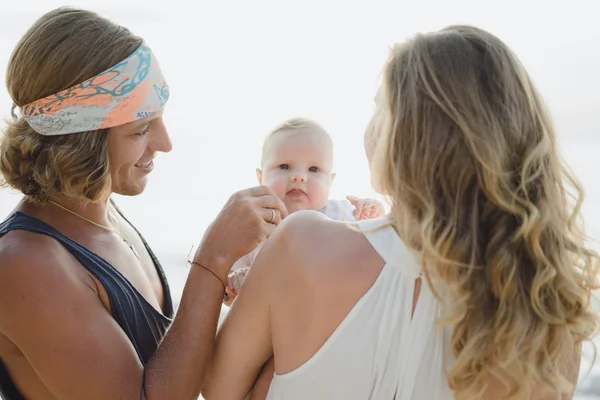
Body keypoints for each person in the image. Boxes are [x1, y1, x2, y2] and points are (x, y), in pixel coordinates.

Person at [203, 25, 600, 399]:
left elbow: (218, 389)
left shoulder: (304, 244)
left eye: (380, 108)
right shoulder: (549, 309)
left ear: (407, 134)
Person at [0, 7, 286, 400]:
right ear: (81, 139)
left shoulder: (103, 215)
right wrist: (212, 260)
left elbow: (174, 360)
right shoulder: (24, 263)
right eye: (141, 128)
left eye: (161, 119)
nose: (165, 143)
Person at [225, 117, 385, 303]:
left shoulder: (340, 215)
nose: (299, 176)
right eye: (284, 166)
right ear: (261, 177)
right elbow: (227, 291)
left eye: (314, 169)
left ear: (330, 181)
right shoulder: (255, 227)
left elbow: (378, 246)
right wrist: (237, 284)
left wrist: (372, 212)